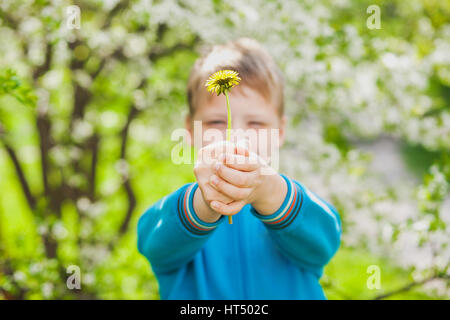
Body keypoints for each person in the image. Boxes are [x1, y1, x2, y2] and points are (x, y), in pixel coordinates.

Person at [137, 37, 342, 299]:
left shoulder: (290, 203)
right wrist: (204, 204)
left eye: (256, 124)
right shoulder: (183, 213)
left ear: (280, 132)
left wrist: (270, 192)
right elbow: (154, 244)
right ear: (190, 130)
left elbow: (325, 241)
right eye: (215, 122)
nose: (236, 138)